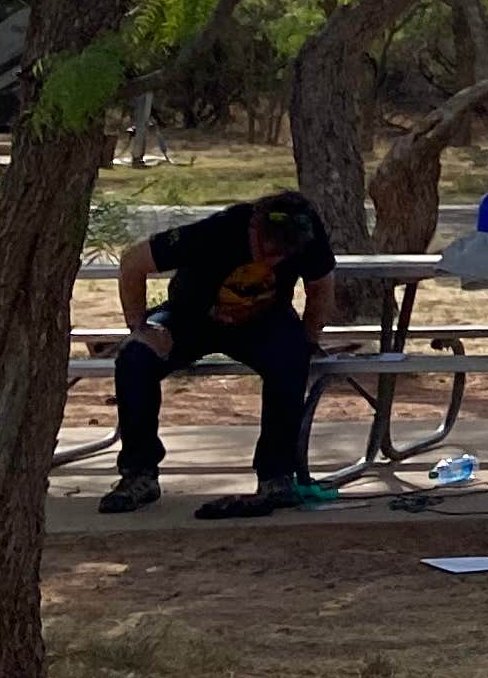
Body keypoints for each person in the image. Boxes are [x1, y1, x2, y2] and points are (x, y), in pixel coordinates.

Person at [97, 190, 341, 517]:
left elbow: (321, 287)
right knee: (136, 358)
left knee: (292, 357)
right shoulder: (219, 228)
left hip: (263, 322)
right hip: (190, 318)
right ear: (253, 228)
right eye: (266, 249)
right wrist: (139, 327)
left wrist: (309, 339)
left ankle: (276, 475)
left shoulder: (307, 234)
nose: (272, 259)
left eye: (282, 255)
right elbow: (133, 262)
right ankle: (139, 474)